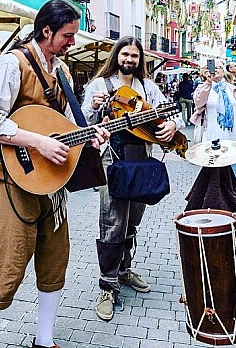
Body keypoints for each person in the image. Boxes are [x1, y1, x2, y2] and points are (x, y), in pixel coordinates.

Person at [0, 0, 110, 348]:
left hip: (51, 183)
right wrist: (39, 143)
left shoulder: (59, 69)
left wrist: (90, 134)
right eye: (67, 35)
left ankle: (44, 340)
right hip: (12, 179)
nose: (72, 42)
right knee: (6, 262)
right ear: (46, 31)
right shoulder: (10, 64)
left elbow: (63, 126)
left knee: (54, 260)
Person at [81, 36, 182, 322]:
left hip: (141, 161)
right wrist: (94, 108)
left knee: (132, 223)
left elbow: (168, 115)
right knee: (112, 223)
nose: (130, 60)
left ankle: (124, 271)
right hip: (112, 161)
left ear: (140, 60)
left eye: (135, 56)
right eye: (125, 54)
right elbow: (83, 121)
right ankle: (107, 285)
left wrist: (173, 124)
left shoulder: (148, 88)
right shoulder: (100, 86)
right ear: (117, 56)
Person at [191, 63, 236, 187]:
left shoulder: (231, 88)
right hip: (213, 141)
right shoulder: (203, 88)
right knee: (214, 178)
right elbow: (198, 103)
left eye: (218, 67)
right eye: (211, 67)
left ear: (224, 71)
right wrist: (208, 83)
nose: (215, 70)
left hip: (234, 139)